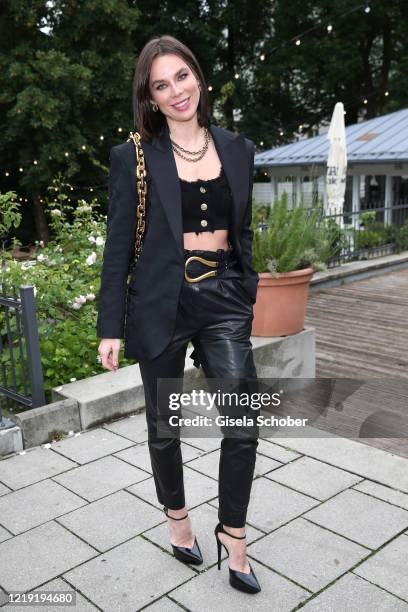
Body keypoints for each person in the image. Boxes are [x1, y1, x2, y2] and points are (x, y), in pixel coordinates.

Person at [97, 34, 261, 595]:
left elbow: (241, 232)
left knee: (242, 420)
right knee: (164, 426)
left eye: (182, 77)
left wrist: (244, 288)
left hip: (223, 298)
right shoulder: (134, 157)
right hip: (160, 301)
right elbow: (118, 245)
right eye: (161, 84)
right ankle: (178, 519)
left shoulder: (238, 148)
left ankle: (233, 534)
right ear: (150, 97)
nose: (176, 91)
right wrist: (109, 326)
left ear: (199, 77)